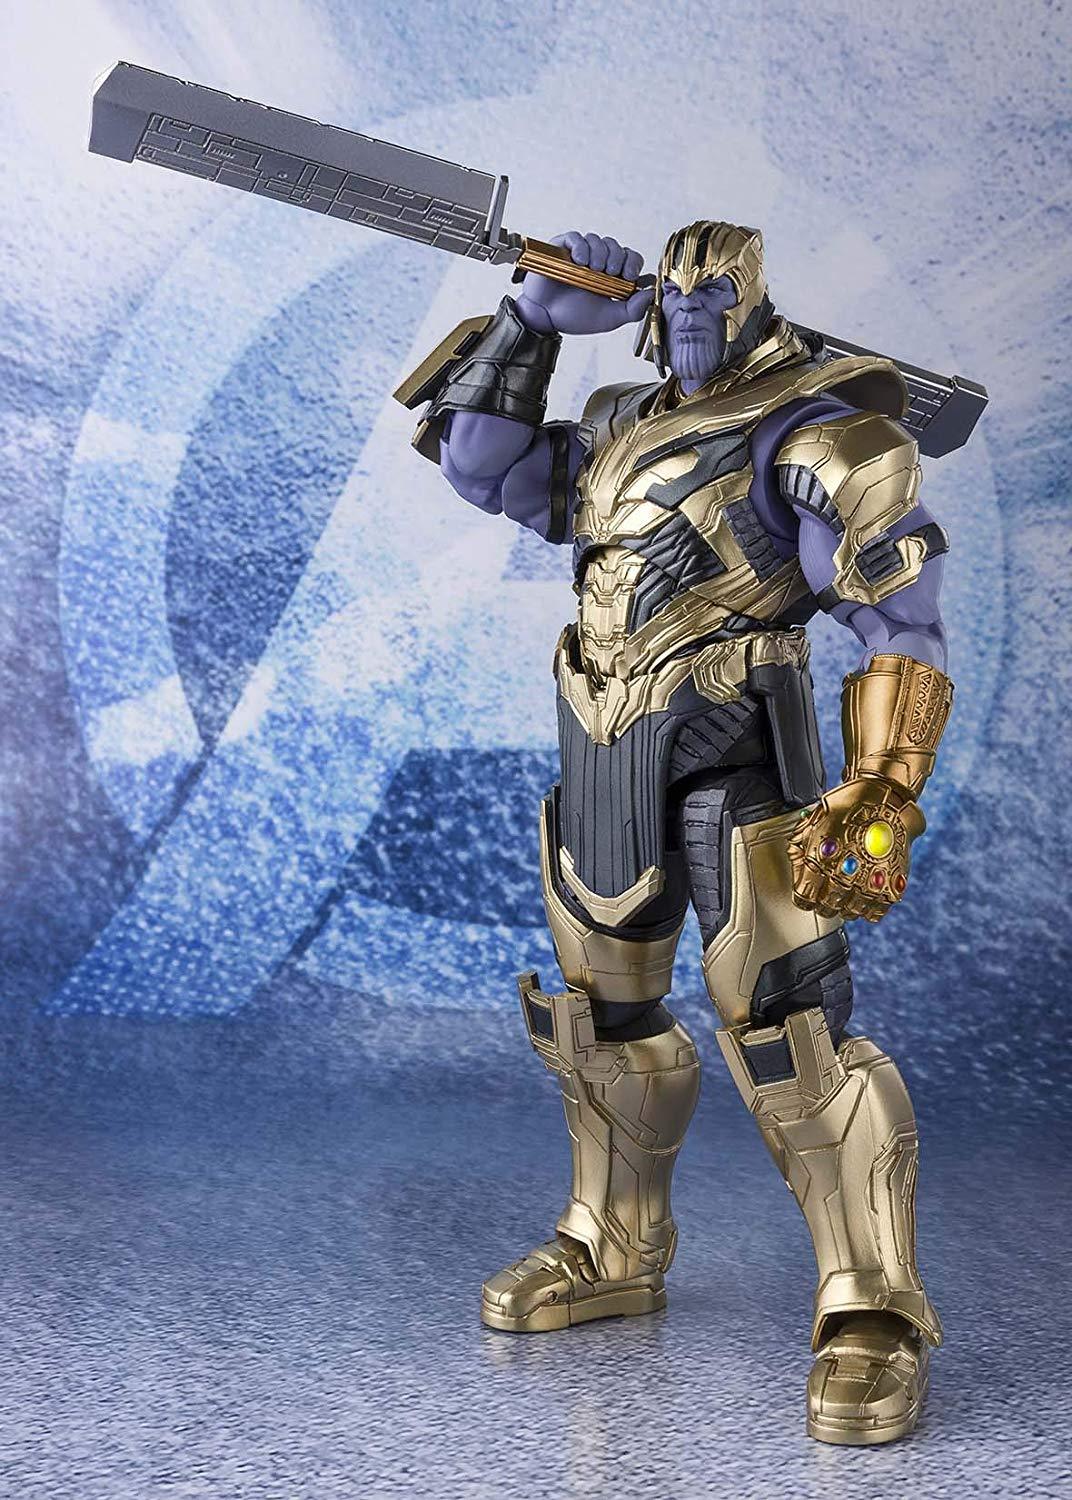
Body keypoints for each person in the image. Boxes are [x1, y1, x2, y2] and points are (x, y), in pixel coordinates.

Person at [399, 221, 953, 1445]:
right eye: (679, 299)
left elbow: (901, 619)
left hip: (740, 765)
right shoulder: (617, 425)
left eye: (715, 298)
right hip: (602, 750)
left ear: (750, 301)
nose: (692, 316)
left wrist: (881, 786)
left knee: (792, 1040)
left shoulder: (816, 432)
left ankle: (871, 1304)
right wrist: (528, 321)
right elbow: (484, 468)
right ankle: (612, 1243)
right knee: (597, 1021)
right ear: (653, 307)